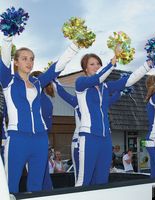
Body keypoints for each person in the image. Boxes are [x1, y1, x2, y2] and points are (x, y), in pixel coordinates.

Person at [0, 35, 79, 193]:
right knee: (11, 185)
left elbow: (56, 68)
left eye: (32, 59)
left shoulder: (37, 83)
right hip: (17, 138)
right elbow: (3, 63)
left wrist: (74, 47)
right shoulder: (8, 81)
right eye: (24, 59)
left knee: (36, 185)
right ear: (15, 62)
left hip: (40, 139)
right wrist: (8, 39)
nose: (29, 62)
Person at [74, 52, 153, 186]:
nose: (96, 66)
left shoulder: (106, 87)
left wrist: (148, 65)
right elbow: (96, 79)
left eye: (98, 63)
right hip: (89, 137)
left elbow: (128, 80)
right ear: (85, 68)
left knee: (102, 180)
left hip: (106, 139)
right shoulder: (81, 83)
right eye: (92, 64)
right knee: (84, 180)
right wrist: (112, 62)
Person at [30, 70, 55, 191]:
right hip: (33, 138)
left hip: (43, 139)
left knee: (42, 172)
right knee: (38, 174)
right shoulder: (33, 97)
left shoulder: (44, 98)